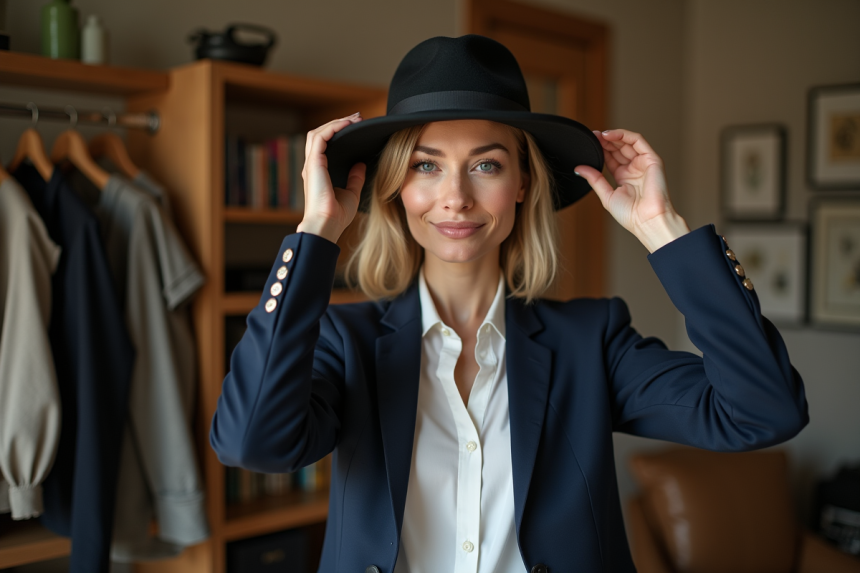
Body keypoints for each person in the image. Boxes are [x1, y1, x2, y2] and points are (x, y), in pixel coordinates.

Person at [210, 35, 808, 573]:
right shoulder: (346, 340)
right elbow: (251, 442)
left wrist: (663, 230)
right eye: (426, 165)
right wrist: (315, 233)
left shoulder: (591, 339)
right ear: (396, 187)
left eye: (486, 165)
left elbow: (763, 412)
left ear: (521, 183)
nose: (456, 197)